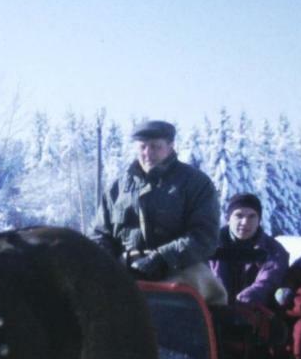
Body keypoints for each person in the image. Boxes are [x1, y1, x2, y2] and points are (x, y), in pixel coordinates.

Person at [92, 119, 224, 304]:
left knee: (192, 302)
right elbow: (100, 234)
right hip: (126, 268)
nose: (148, 153)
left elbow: (204, 237)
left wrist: (163, 258)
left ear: (170, 146)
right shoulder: (117, 188)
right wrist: (113, 262)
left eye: (155, 147)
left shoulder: (196, 184)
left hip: (179, 268)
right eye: (143, 147)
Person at [210, 192, 289, 308]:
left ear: (259, 220)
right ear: (228, 218)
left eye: (252, 216)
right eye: (239, 215)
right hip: (211, 310)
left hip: (252, 313)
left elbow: (267, 282)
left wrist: (243, 302)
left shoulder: (273, 250)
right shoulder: (209, 245)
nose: (245, 222)